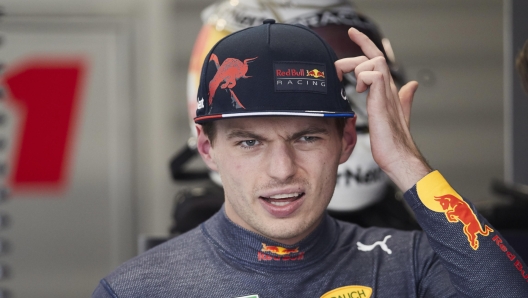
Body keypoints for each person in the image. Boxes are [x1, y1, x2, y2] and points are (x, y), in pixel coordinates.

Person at [93, 21, 528, 297]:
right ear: (207, 149)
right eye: (249, 143)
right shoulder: (137, 290)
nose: (282, 170)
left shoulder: (408, 264)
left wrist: (404, 161)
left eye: (306, 138)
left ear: (345, 142)